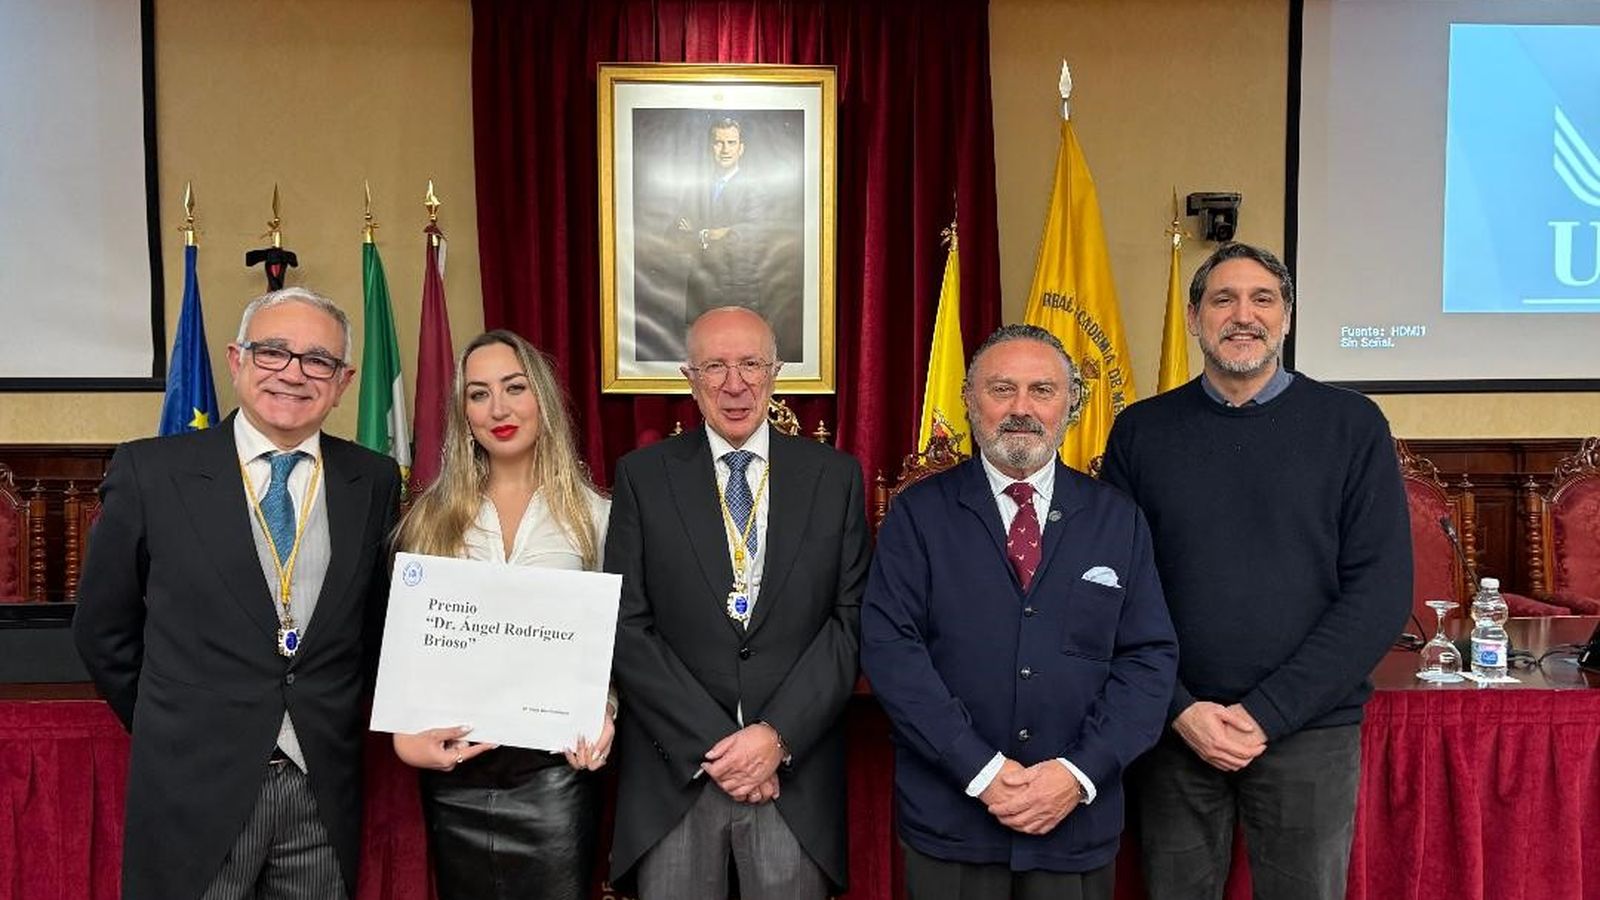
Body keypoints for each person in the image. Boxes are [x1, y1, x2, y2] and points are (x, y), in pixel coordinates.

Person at [1099, 242, 1412, 900]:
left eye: (1263, 299)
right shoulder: (1141, 432)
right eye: (1223, 299)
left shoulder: (1352, 425)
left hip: (1308, 730)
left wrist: (1268, 713)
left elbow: (1380, 594)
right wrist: (1182, 710)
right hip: (1174, 731)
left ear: (1288, 318)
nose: (1244, 315)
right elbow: (1114, 588)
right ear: (1193, 317)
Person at [74, 287, 402, 900]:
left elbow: (378, 628)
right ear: (236, 359)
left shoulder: (374, 479)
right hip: (192, 786)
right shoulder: (152, 472)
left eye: (317, 361)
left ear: (344, 379)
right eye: (273, 352)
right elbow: (103, 631)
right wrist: (178, 724)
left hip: (320, 789)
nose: (293, 374)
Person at [862, 324, 1178, 900]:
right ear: (969, 399)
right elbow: (892, 653)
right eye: (1002, 389)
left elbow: (1148, 660)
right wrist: (981, 772)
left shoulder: (1118, 519)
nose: (1021, 408)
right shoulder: (918, 515)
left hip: (1075, 820)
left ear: (1071, 405)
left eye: (1042, 390)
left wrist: (1077, 774)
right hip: (950, 819)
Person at [606, 306, 869, 899]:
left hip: (791, 779)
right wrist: (719, 748)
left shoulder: (836, 478)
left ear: (775, 372)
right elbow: (627, 625)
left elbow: (849, 621)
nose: (735, 384)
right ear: (688, 377)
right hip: (679, 775)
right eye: (715, 367)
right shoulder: (643, 478)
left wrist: (774, 737)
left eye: (750, 364)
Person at [388, 330, 614, 900]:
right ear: (463, 412)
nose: (499, 409)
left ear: (543, 398)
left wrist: (606, 711)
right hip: (454, 775)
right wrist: (402, 735)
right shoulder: (429, 519)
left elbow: (618, 641)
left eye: (514, 388)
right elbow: (411, 646)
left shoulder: (598, 516)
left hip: (554, 776)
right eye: (478, 394)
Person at [674, 117, 767, 324]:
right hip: (700, 291)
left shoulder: (753, 188)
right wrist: (719, 232)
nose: (725, 149)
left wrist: (705, 233)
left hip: (735, 290)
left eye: (731, 143)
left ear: (741, 148)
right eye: (718, 142)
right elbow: (678, 233)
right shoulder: (696, 189)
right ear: (710, 147)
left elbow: (752, 234)